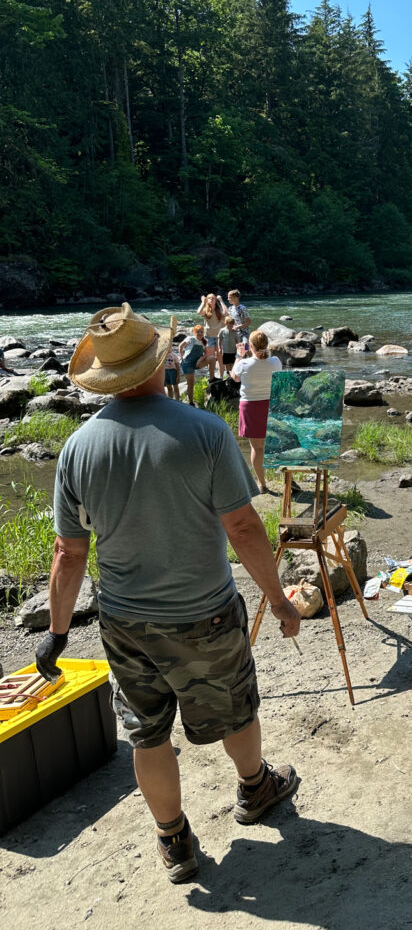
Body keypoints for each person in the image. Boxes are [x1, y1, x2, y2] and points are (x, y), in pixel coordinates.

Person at [33, 303, 300, 885]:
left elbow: (69, 553)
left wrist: (56, 634)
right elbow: (244, 528)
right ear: (162, 361)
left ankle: (174, 841)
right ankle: (256, 789)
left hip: (124, 622)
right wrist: (278, 600)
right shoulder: (203, 430)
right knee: (235, 707)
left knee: (146, 732)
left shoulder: (78, 448)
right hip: (204, 614)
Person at [231, 330, 281, 493]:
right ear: (266, 344)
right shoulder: (275, 361)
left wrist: (239, 355)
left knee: (257, 448)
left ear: (250, 346)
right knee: (279, 445)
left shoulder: (244, 364)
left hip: (251, 406)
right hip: (271, 405)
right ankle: (289, 478)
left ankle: (262, 484)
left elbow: (234, 377)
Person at [197, 293, 227, 378]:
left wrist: (221, 300)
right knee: (211, 358)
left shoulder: (219, 309)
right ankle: (212, 377)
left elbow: (226, 312)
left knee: (220, 358)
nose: (211, 299)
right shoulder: (206, 310)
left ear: (215, 300)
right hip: (209, 337)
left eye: (213, 298)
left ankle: (221, 377)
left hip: (219, 337)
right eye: (209, 298)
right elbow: (199, 312)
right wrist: (203, 301)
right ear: (207, 300)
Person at [178, 325, 208, 406]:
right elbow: (180, 346)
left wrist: (200, 360)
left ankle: (212, 378)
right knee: (191, 383)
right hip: (187, 363)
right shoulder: (191, 339)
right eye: (198, 332)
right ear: (194, 332)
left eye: (201, 332)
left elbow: (206, 353)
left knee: (212, 358)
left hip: (196, 363)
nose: (200, 333)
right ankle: (191, 402)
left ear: (203, 333)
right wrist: (181, 356)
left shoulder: (203, 341)